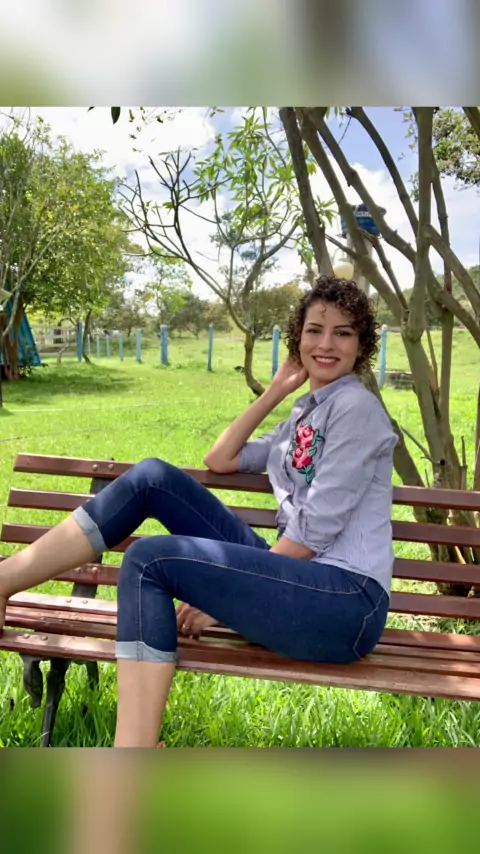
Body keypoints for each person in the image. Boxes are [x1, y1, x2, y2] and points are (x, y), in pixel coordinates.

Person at [0, 276, 397, 747]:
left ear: (362, 345)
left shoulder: (356, 409)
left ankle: (132, 753)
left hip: (344, 604)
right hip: (298, 583)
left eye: (343, 333)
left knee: (150, 559)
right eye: (314, 330)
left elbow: (313, 533)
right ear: (298, 340)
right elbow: (221, 458)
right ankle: (4, 580)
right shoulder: (305, 412)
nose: (326, 344)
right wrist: (275, 391)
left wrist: (224, 597)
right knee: (152, 478)